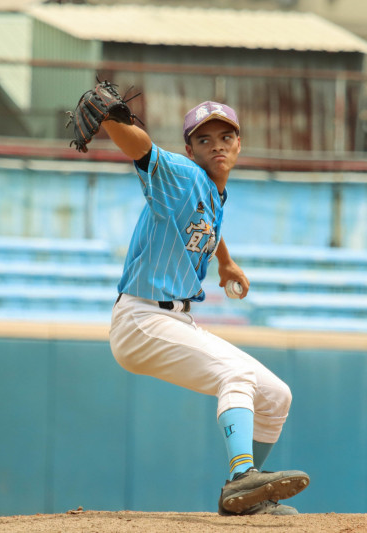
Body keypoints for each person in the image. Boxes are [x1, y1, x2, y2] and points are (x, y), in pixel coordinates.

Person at [101, 98, 310, 516]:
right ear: (190, 150)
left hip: (171, 317)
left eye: (226, 137)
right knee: (235, 375)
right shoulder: (182, 175)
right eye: (204, 139)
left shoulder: (214, 192)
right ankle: (241, 477)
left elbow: (207, 224)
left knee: (275, 396)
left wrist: (225, 261)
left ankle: (247, 500)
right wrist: (110, 120)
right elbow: (141, 150)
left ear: (238, 144)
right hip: (142, 317)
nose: (217, 145)